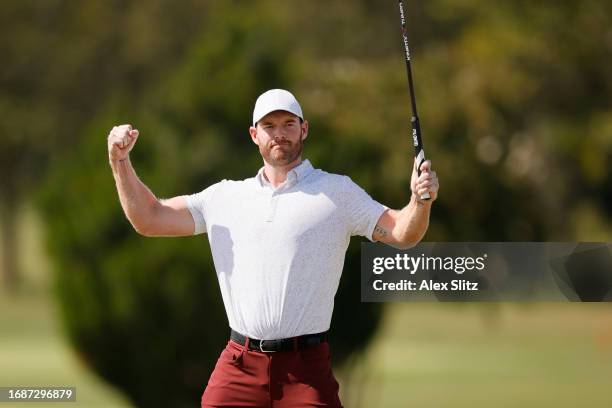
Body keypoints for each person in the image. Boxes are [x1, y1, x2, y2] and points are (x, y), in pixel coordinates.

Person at [107, 89, 439, 407]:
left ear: (304, 129)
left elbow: (402, 233)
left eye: (288, 124)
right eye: (269, 126)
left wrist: (419, 202)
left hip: (305, 370)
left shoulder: (337, 192)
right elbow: (149, 219)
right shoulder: (225, 197)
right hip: (238, 366)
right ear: (254, 134)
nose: (279, 133)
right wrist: (119, 161)